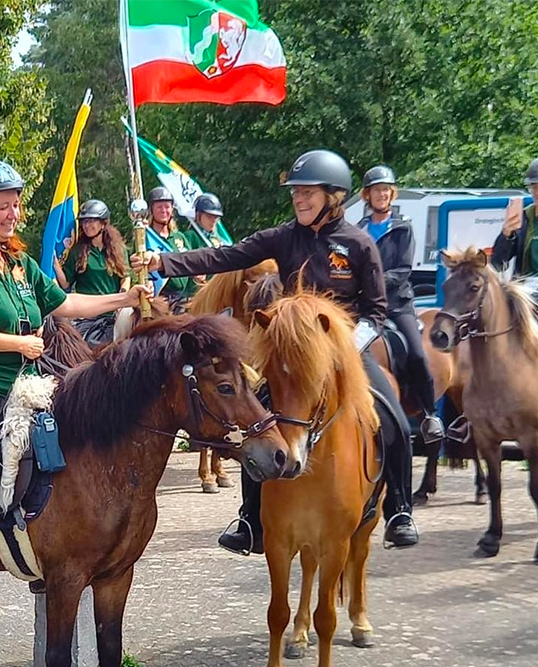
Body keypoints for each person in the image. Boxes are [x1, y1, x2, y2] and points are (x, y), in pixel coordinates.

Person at [134, 149, 419, 551]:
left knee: (394, 421)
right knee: (257, 424)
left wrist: (343, 348)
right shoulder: (283, 238)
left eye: (308, 193)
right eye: (296, 193)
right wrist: (161, 262)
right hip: (292, 360)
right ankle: (251, 520)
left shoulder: (358, 245)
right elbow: (224, 256)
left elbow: (375, 311)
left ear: (333, 196)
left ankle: (400, 511)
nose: (299, 200)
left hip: (346, 354)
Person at [0, 159, 149, 621]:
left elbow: (66, 303)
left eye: (16, 204)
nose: (14, 213)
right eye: (4, 206)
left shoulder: (18, 261)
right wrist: (18, 342)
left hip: (16, 384)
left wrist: (125, 298)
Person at [356, 166, 443, 444]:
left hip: (397, 304)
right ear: (367, 195)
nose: (381, 194)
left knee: (417, 354)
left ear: (391, 194)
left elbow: (402, 270)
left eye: (385, 190)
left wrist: (371, 283)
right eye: (376, 190)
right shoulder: (358, 230)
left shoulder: (403, 227)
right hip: (365, 306)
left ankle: (429, 414)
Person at [491, 154, 538, 375]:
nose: (537, 192)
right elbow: (498, 262)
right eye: (534, 187)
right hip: (522, 290)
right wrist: (507, 234)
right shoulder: (524, 218)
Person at [52, 199, 130, 344]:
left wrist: (123, 295)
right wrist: (55, 265)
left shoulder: (118, 250)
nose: (86, 226)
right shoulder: (77, 251)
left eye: (91, 221)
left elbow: (125, 276)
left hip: (114, 314)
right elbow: (66, 283)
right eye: (84, 222)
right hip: (86, 316)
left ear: (103, 223)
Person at [143, 186, 194, 311]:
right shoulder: (145, 238)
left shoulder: (179, 237)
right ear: (151, 210)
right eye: (159, 207)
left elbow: (191, 260)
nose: (164, 210)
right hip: (159, 299)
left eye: (167, 206)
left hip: (183, 298)